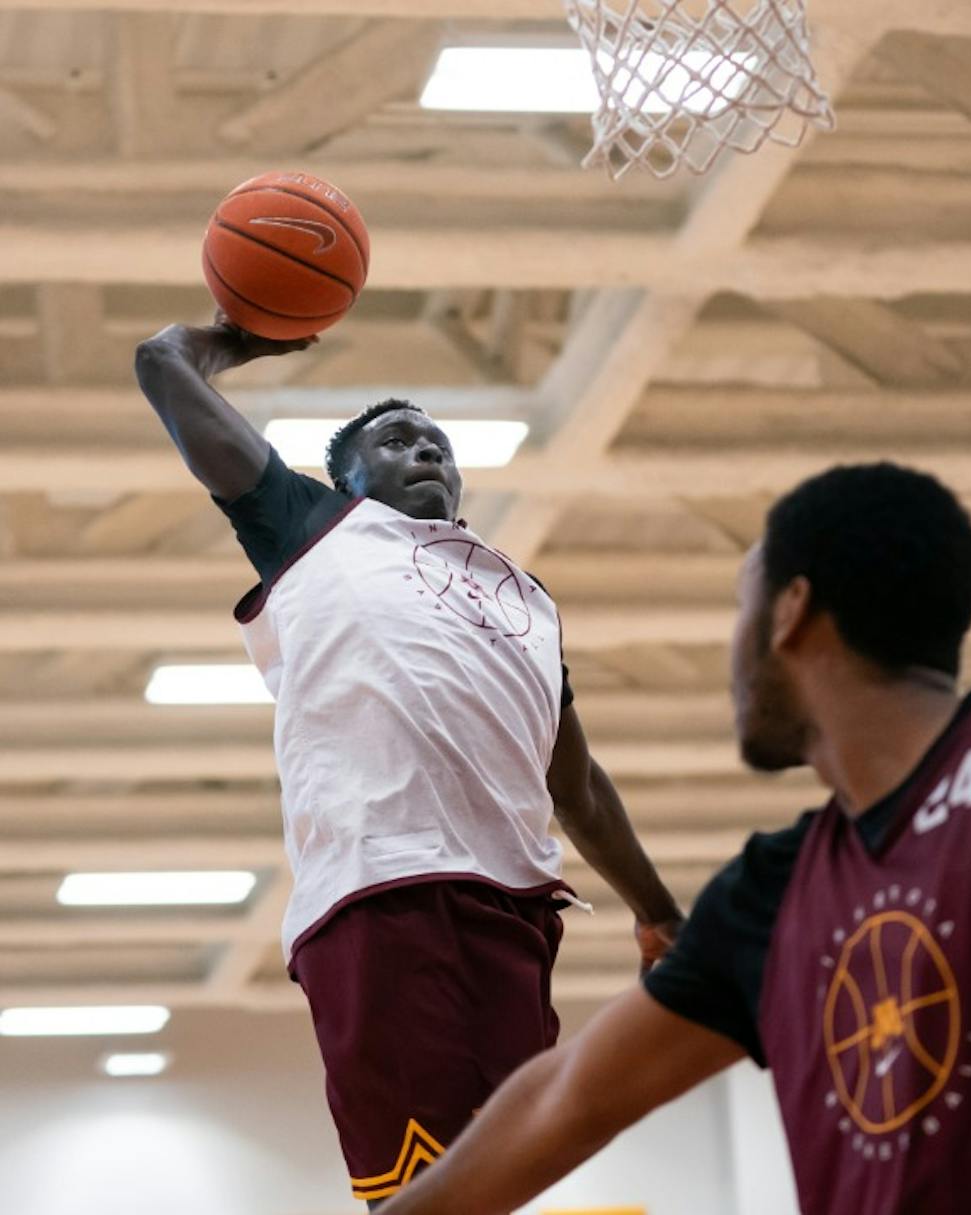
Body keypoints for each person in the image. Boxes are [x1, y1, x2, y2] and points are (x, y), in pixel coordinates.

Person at [376, 461, 971, 1215]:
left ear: (791, 612)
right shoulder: (770, 894)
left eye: (742, 609)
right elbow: (568, 1098)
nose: (733, 655)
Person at [132, 320, 684, 1207]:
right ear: (349, 480)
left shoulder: (526, 599)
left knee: (503, 1181)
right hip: (381, 888)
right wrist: (238, 334)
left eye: (438, 443)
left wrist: (658, 911)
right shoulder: (314, 527)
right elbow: (160, 366)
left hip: (516, 909)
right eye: (397, 441)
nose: (425, 448)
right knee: (422, 1186)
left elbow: (573, 781)